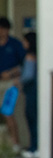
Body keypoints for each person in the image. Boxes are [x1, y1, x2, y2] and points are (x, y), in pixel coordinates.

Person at [0, 17, 24, 149]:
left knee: (8, 113)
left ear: (7, 30)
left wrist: (11, 73)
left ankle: (15, 144)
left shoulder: (15, 44)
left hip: (10, 83)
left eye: (2, 29)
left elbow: (24, 64)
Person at [20, 32, 36, 156]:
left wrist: (18, 80)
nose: (23, 43)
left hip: (31, 91)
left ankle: (34, 148)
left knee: (32, 118)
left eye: (25, 41)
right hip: (34, 91)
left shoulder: (30, 57)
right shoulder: (38, 56)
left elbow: (28, 76)